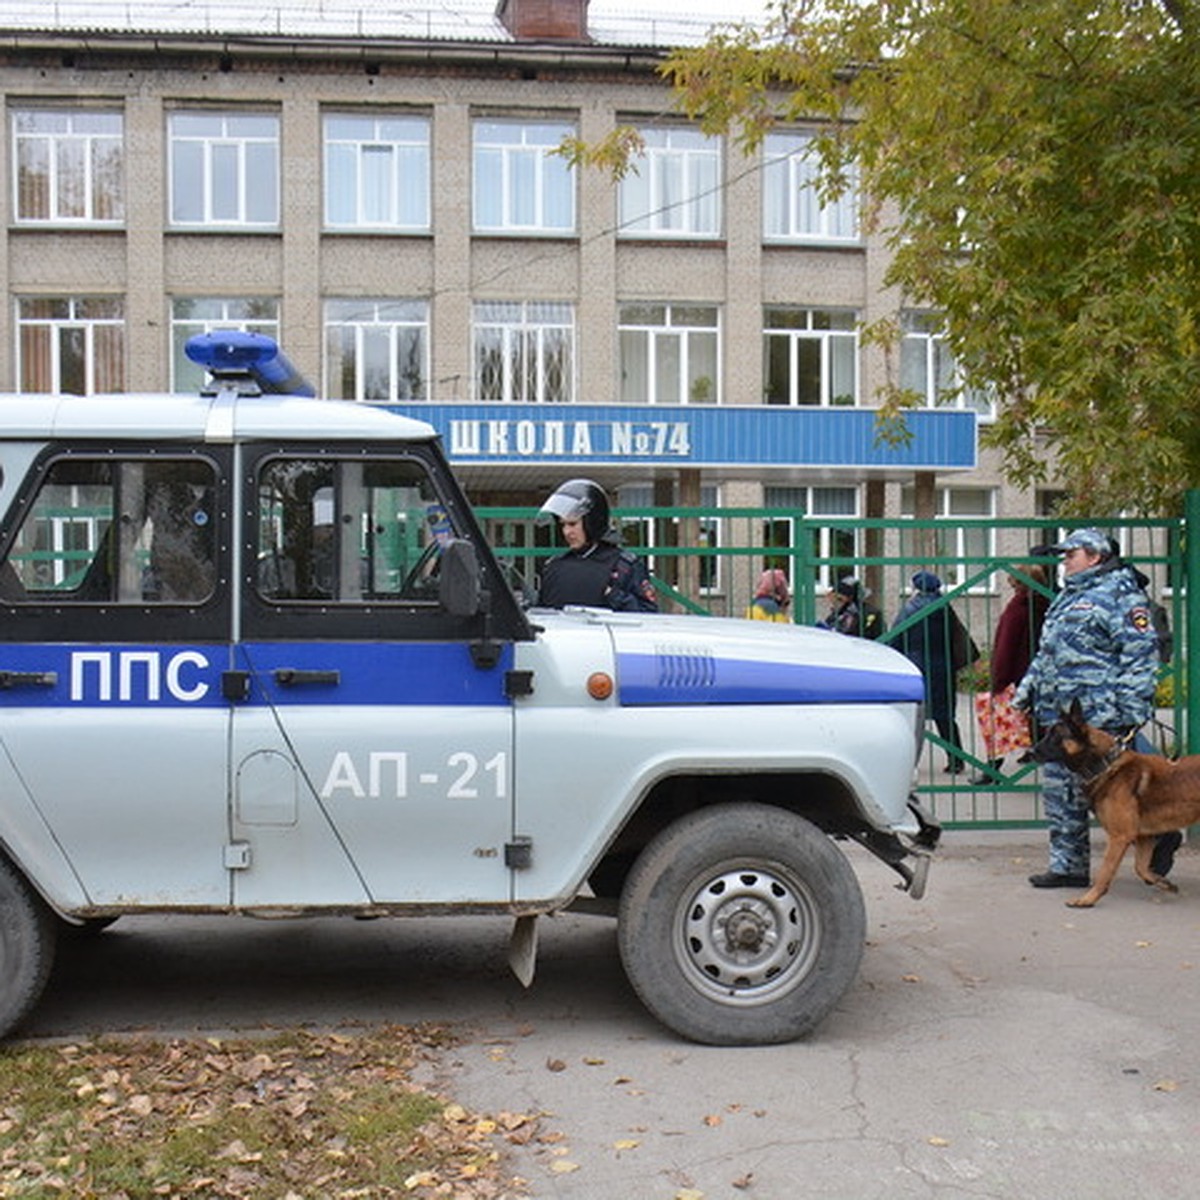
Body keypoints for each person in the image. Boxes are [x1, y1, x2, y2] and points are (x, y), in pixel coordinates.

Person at [1013, 528, 1160, 888]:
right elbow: (1048, 652)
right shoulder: (1067, 597)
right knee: (1060, 788)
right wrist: (1027, 690)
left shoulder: (1122, 596)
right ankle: (1069, 866)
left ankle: (1160, 831)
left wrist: (1131, 710)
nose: (1064, 561)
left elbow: (1140, 656)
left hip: (1101, 715)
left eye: (1070, 555)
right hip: (1060, 714)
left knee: (1117, 789)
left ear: (1094, 557)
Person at [972, 564, 1050, 783]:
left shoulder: (1018, 608)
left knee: (1001, 724)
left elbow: (1006, 647)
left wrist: (998, 679)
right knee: (1042, 725)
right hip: (1042, 674)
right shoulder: (1048, 605)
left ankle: (991, 772)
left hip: (1018, 676)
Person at [894, 571, 975, 773]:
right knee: (944, 715)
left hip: (916, 666)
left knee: (912, 715)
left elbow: (895, 637)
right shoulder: (945, 607)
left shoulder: (910, 609)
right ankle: (956, 759)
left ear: (917, 588)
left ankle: (907, 762)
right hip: (942, 667)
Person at [535, 478, 658, 612]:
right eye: (563, 525)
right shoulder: (554, 566)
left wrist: (614, 595)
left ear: (592, 522)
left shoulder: (623, 566)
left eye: (572, 524)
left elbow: (648, 613)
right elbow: (541, 614)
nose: (567, 532)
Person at [817, 576, 885, 639]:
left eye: (839, 599)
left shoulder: (869, 614)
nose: (834, 602)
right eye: (833, 598)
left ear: (850, 599)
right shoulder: (837, 614)